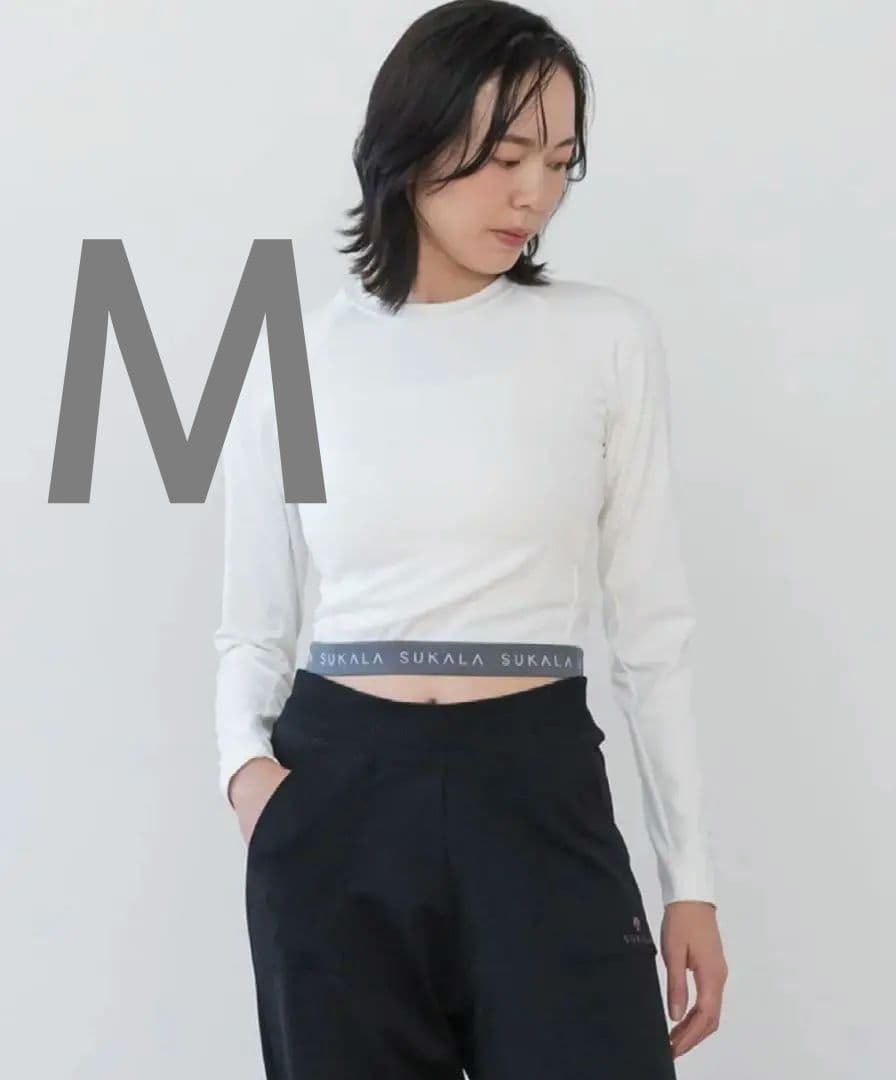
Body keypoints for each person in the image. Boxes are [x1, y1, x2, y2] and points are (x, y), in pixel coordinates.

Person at [213, 1, 728, 1075]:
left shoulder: (603, 341)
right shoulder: (293, 358)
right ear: (411, 143)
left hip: (536, 785)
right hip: (337, 797)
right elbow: (252, 628)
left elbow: (652, 632)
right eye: (503, 157)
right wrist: (251, 781)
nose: (534, 194)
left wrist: (690, 883)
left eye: (560, 161)